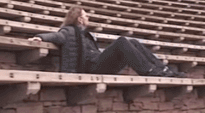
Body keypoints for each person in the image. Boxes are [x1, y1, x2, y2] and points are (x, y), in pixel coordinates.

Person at [30, 6, 185, 78]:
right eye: (86, 15)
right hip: (90, 68)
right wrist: (41, 37)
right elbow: (57, 37)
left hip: (97, 63)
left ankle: (162, 70)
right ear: (79, 19)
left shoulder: (85, 34)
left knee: (133, 42)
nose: (88, 18)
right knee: (122, 41)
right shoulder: (69, 31)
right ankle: (149, 71)